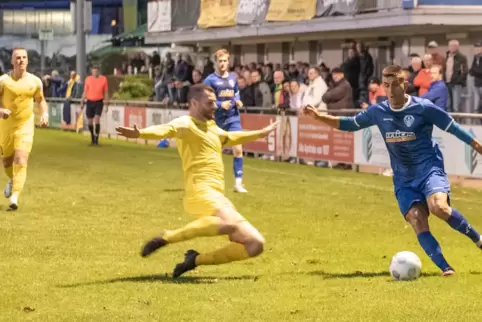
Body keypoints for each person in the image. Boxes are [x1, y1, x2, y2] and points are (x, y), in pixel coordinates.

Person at [303, 65, 482, 276]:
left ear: (404, 85)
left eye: (393, 84)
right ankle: (445, 268)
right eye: (385, 85)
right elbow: (351, 124)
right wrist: (319, 117)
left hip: (429, 169)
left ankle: (478, 240)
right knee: (416, 218)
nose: (389, 90)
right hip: (403, 178)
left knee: (439, 208)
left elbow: (452, 126)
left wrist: (477, 145)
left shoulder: (423, 107)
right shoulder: (379, 111)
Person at [115, 84, 278, 278]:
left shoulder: (212, 127)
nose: (215, 106)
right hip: (200, 191)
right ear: (194, 102)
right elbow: (165, 130)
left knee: (255, 244)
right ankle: (167, 237)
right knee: (229, 223)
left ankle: (194, 260)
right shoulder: (186, 124)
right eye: (210, 103)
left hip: (217, 195)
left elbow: (230, 137)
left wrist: (260, 133)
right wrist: (140, 133)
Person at [0, 48, 48, 211]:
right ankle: (13, 179)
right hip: (5, 127)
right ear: (12, 62)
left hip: (25, 125)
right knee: (7, 162)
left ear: (27, 61)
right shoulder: (4, 81)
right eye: (18, 58)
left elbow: (41, 100)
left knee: (21, 159)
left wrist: (44, 114)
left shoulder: (35, 81)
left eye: (24, 57)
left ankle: (14, 197)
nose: (21, 60)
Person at [203, 49, 247, 193]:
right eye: (220, 61)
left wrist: (238, 101)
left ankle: (238, 183)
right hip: (217, 120)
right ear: (216, 62)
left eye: (225, 61)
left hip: (233, 118)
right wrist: (221, 105)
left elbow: (236, 93)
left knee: (238, 149)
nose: (222, 64)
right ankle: (209, 182)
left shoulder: (233, 78)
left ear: (229, 62)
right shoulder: (209, 80)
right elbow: (206, 102)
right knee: (214, 154)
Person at [80, 66, 108, 146]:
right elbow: (85, 91)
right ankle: (92, 136)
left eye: (96, 71)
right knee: (90, 121)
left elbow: (106, 92)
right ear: (91, 72)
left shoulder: (103, 79)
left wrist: (106, 103)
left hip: (99, 101)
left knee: (97, 119)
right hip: (89, 101)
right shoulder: (88, 79)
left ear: (98, 72)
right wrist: (82, 101)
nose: (95, 73)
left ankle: (96, 138)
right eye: (93, 71)